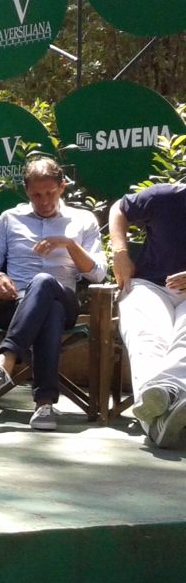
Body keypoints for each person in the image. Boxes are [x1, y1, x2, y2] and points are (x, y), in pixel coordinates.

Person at [0, 157, 106, 431]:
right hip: (16, 305)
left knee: (45, 283)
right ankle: (45, 405)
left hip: (65, 299)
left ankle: (5, 360)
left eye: (50, 193)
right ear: (26, 191)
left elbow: (98, 274)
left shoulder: (82, 220)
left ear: (62, 187)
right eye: (36, 195)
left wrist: (68, 244)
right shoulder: (10, 218)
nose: (43, 201)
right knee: (49, 312)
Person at [109, 179, 186, 448]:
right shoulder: (166, 196)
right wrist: (120, 252)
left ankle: (158, 413)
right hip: (152, 285)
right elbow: (120, 209)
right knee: (146, 336)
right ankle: (162, 408)